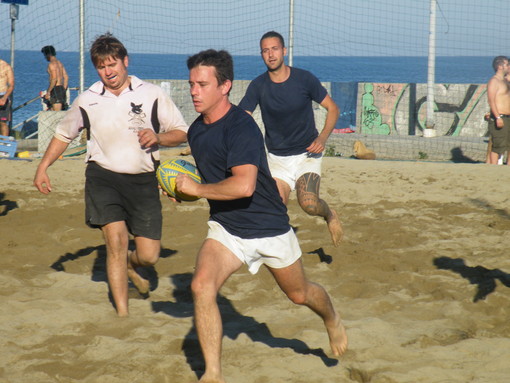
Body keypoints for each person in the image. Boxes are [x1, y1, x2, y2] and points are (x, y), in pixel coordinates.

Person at [177, 49, 347, 383]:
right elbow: (213, 182)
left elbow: (243, 186)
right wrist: (182, 190)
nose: (194, 91)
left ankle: (332, 318)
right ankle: (212, 374)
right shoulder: (196, 131)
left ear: (224, 86)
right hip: (227, 228)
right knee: (201, 286)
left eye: (202, 84)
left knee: (300, 295)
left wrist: (196, 191)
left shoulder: (242, 127)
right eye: (191, 84)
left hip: (268, 227)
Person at [34, 33, 188, 317]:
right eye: (102, 67)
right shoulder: (88, 99)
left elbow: (181, 131)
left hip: (143, 180)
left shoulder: (151, 93)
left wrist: (158, 138)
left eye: (113, 64)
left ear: (125, 61)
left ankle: (132, 265)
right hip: (103, 178)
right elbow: (63, 134)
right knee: (115, 243)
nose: (109, 71)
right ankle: (122, 314)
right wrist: (43, 167)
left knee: (149, 255)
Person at [238, 31, 343, 247]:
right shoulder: (258, 85)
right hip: (277, 159)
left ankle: (330, 214)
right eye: (265, 50)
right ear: (261, 55)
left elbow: (333, 109)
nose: (270, 54)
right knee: (275, 207)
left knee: (309, 205)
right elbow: (241, 119)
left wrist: (323, 138)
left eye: (274, 49)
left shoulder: (304, 79)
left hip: (307, 155)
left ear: (284, 51)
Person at [486, 56, 510, 165]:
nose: (509, 66)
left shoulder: (505, 80)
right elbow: (491, 101)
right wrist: (497, 117)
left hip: (508, 117)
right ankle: (493, 169)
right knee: (498, 147)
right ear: (500, 66)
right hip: (500, 117)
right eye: (507, 65)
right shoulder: (494, 81)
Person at [41, 45, 69, 111]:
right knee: (54, 112)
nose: (45, 58)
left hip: (56, 89)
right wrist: (63, 89)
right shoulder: (60, 63)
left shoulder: (51, 65)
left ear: (47, 55)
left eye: (45, 55)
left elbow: (54, 79)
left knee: (56, 114)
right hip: (61, 89)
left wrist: (48, 92)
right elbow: (66, 77)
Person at [0, 59, 14, 136]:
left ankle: (5, 142)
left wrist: (4, 98)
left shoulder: (6, 66)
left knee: (3, 122)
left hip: (3, 95)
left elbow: (11, 85)